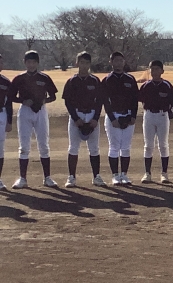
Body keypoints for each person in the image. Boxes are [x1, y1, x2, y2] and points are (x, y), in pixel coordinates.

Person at [11, 50, 58, 188]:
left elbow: (53, 96)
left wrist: (44, 101)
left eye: (33, 62)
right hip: (25, 111)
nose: (31, 65)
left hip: (41, 111)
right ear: (24, 62)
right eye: (28, 62)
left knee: (43, 144)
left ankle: (47, 178)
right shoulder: (19, 78)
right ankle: (22, 179)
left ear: (37, 63)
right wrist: (23, 101)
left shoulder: (44, 78)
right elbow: (11, 96)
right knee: (24, 146)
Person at [62, 51, 105, 187]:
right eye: (81, 62)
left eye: (87, 63)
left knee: (94, 148)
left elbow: (99, 101)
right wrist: (75, 118)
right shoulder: (72, 81)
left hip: (91, 115)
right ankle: (71, 177)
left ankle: (96, 176)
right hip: (77, 115)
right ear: (77, 63)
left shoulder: (95, 81)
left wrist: (95, 118)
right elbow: (68, 102)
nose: (84, 65)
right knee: (73, 148)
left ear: (90, 64)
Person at [102, 51, 139, 185]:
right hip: (114, 116)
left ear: (124, 62)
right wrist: (112, 118)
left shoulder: (130, 79)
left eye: (121, 61)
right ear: (111, 62)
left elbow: (135, 99)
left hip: (128, 115)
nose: (119, 63)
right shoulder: (107, 80)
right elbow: (105, 101)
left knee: (126, 147)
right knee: (114, 147)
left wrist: (133, 116)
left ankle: (124, 174)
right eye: (116, 60)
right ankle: (115, 175)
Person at [139, 60, 173, 184]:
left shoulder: (167, 85)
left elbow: (172, 100)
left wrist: (169, 111)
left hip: (162, 115)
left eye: (157, 69)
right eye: (152, 69)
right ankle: (147, 173)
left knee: (163, 145)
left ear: (162, 71)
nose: (154, 71)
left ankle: (164, 173)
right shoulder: (146, 86)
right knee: (148, 145)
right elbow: (140, 99)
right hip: (149, 115)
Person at [0, 53, 14, 191]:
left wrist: (9, 121)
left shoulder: (5, 82)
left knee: (0, 148)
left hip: (1, 115)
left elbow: (9, 103)